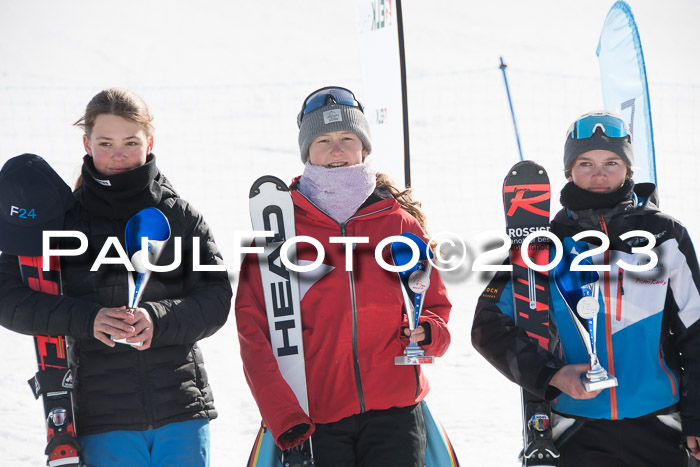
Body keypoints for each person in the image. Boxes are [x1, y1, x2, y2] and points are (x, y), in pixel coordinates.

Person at [0, 88, 232, 466]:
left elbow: (215, 298)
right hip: (103, 415)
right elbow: (9, 298)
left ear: (150, 142)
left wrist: (158, 318)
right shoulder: (61, 221)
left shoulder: (180, 216)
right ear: (87, 143)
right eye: (105, 142)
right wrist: (86, 318)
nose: (118, 154)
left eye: (130, 142)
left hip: (182, 409)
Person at [235, 86, 452, 466]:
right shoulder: (279, 229)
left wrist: (429, 332)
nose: (337, 150)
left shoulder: (398, 223)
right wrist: (283, 416)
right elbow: (253, 331)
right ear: (306, 152)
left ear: (363, 148)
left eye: (347, 138)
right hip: (316, 417)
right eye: (324, 140)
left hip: (395, 411)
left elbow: (433, 305)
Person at [472, 110, 700, 466]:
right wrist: (552, 376)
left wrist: (696, 417)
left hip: (661, 423)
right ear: (569, 171)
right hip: (574, 428)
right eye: (585, 162)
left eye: (612, 162)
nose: (599, 173)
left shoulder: (665, 236)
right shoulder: (539, 244)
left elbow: (697, 333)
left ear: (629, 168)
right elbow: (488, 327)